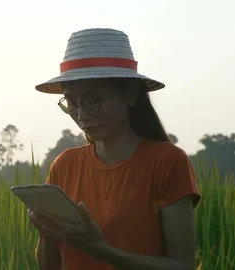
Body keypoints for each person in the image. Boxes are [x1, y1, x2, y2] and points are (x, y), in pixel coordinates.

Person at [28, 28, 201, 270]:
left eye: (92, 101)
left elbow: (182, 266)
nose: (81, 115)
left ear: (130, 95)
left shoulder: (167, 162)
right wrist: (47, 234)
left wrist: (102, 251)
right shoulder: (64, 165)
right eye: (72, 102)